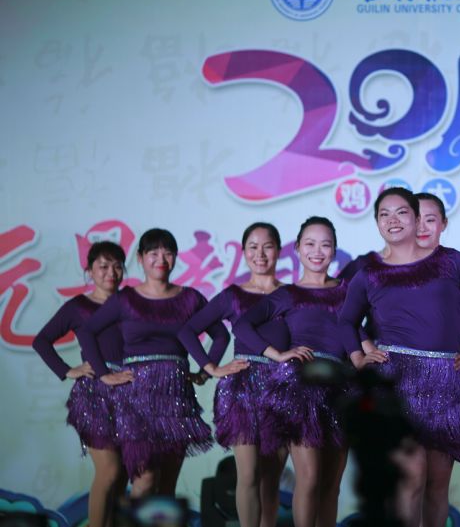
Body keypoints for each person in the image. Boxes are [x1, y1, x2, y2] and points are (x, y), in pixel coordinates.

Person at [339, 187, 460, 527]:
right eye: (384, 214)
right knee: (410, 477)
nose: (392, 220)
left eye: (401, 212)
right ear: (376, 222)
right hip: (395, 382)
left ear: (416, 219)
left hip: (444, 381)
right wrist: (359, 356)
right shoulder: (369, 272)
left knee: (436, 484)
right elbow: (345, 320)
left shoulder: (452, 261)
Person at [235, 217, 383, 527]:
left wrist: (370, 353)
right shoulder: (287, 294)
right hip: (300, 389)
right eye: (310, 244)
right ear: (298, 249)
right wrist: (277, 354)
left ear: (334, 251)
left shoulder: (346, 292)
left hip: (341, 390)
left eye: (325, 245)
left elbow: (355, 330)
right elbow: (243, 325)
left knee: (330, 485)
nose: (317, 251)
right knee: (310, 477)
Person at [77, 228, 246, 497]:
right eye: (153, 253)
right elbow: (87, 332)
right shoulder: (125, 299)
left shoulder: (190, 298)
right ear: (141, 258)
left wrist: (206, 370)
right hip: (135, 397)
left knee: (167, 486)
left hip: (176, 395)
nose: (161, 259)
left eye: (167, 253)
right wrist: (103, 374)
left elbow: (221, 335)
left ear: (176, 257)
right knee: (145, 479)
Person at [176, 223, 288, 527]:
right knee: (248, 474)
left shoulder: (290, 295)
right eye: (253, 247)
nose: (260, 254)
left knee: (271, 479)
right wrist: (211, 368)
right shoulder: (233, 296)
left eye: (267, 246)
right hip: (242, 389)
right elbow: (187, 331)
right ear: (243, 252)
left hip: (282, 389)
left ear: (279, 250)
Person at [32, 241, 132, 527]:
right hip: (94, 395)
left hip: (130, 393)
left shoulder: (130, 304)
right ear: (89, 271)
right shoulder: (78, 307)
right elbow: (41, 341)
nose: (111, 273)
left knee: (124, 475)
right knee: (109, 471)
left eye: (117, 266)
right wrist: (67, 370)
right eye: (103, 266)